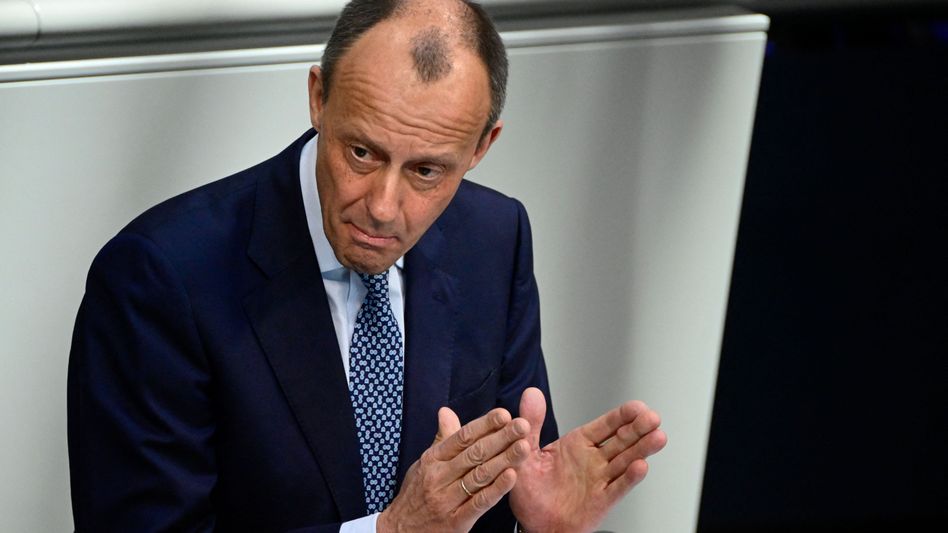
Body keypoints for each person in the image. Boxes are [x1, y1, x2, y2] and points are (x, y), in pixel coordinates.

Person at [67, 0, 667, 531]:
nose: (382, 207)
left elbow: (499, 491)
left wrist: (543, 530)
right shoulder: (159, 277)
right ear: (318, 97)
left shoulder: (495, 238)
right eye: (361, 152)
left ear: (482, 147)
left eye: (426, 171)